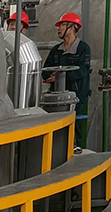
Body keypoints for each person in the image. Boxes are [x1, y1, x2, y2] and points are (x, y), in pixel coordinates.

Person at [43, 12, 91, 153]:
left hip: (77, 97)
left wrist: (60, 76)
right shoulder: (56, 50)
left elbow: (83, 70)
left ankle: (77, 150)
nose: (59, 28)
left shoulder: (83, 49)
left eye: (62, 25)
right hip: (57, 99)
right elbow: (45, 70)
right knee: (58, 128)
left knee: (76, 127)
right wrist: (50, 76)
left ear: (72, 27)